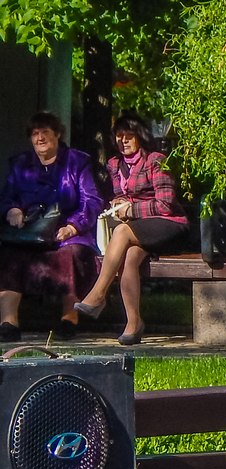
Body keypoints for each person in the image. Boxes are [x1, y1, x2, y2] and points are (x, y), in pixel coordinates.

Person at [73, 114, 188, 345]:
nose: (123, 141)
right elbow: (123, 194)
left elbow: (166, 205)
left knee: (122, 232)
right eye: (119, 136)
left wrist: (131, 210)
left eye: (129, 136)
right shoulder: (116, 164)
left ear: (140, 137)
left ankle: (98, 294)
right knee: (129, 258)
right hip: (143, 227)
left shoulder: (156, 161)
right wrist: (119, 203)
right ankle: (133, 323)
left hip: (171, 224)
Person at [0, 112, 104, 342]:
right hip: (30, 232)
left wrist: (73, 226)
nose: (40, 138)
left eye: (45, 132)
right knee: (10, 255)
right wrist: (12, 210)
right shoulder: (20, 165)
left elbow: (92, 200)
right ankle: (8, 322)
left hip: (66, 231)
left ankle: (69, 318)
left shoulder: (77, 161)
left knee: (72, 254)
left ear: (57, 134)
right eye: (35, 133)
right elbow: (7, 197)